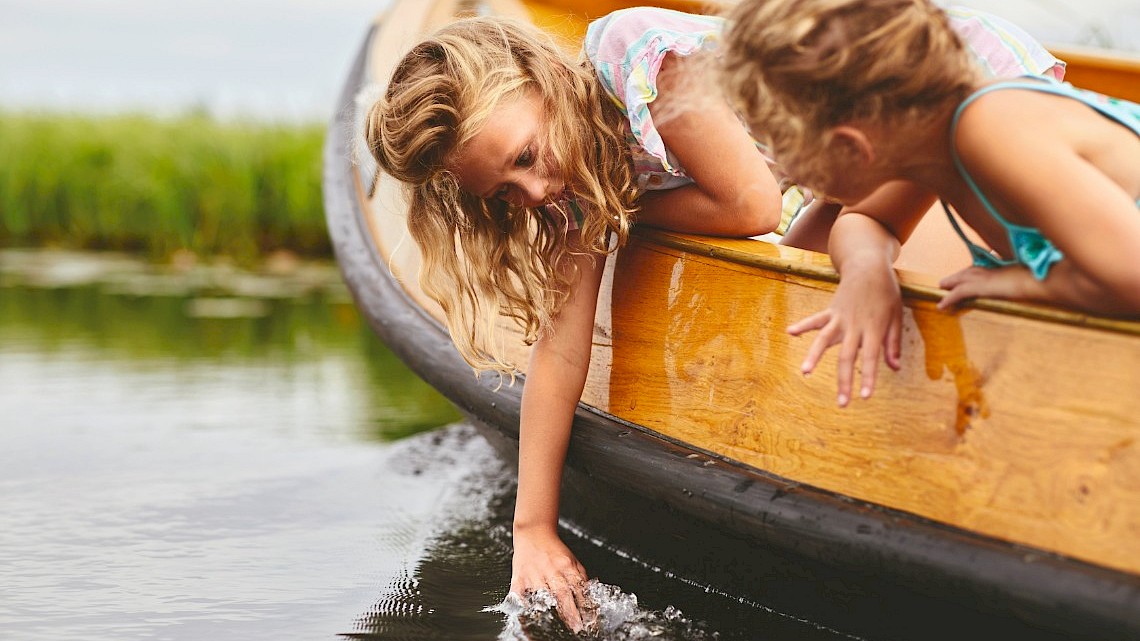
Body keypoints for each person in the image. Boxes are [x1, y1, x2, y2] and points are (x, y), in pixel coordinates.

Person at [363, 4, 1071, 631]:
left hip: (938, 92)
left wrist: (616, 217)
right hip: (860, 166)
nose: (536, 189)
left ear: (540, 78)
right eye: (504, 193)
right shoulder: (571, 188)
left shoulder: (632, 55)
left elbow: (753, 204)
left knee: (1048, 242)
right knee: (814, 278)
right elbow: (560, 350)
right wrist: (533, 526)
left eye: (524, 157)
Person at [721, 0, 1140, 406]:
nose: (779, 165)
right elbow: (869, 219)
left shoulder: (991, 126)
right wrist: (866, 269)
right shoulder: (930, 145)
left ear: (851, 145)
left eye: (779, 145)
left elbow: (1132, 274)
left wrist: (1021, 284)